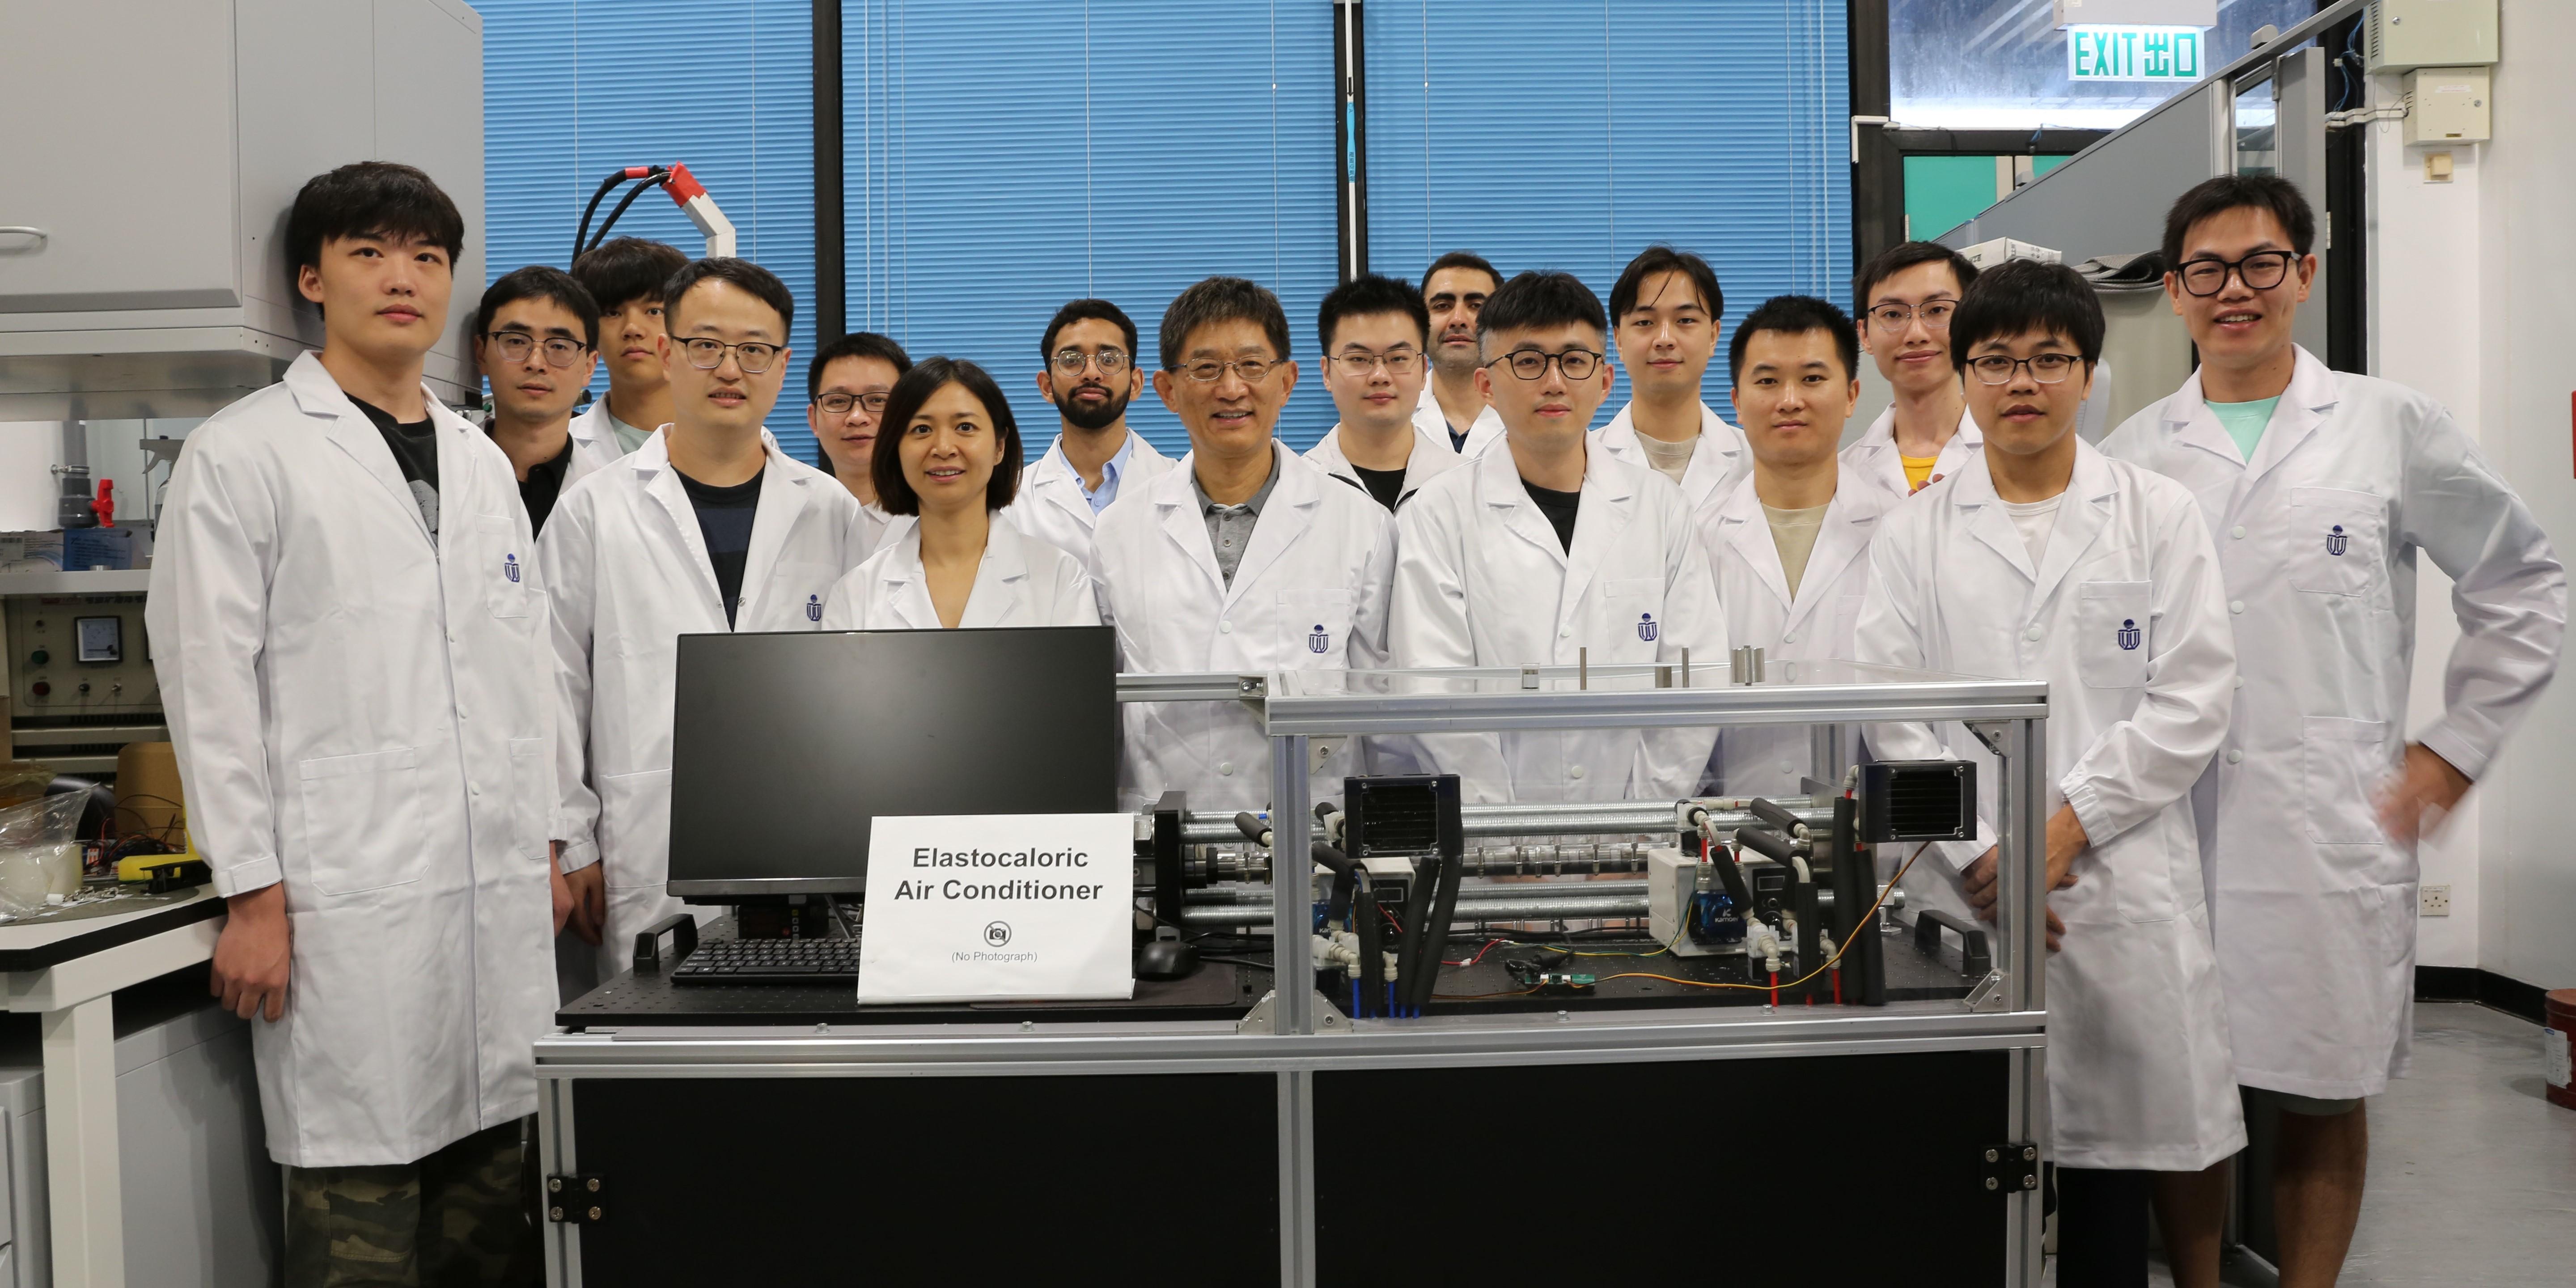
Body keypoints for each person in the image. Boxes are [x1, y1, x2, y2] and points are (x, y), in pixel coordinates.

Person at [2100, 174, 2567, 1288]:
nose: (2233, 290)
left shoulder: (2385, 425)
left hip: (2325, 823)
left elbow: (2522, 582)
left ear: (2301, 275)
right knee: (2186, 1092)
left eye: (2259, 263)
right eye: (2203, 270)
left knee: (2322, 1086)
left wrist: (2449, 748)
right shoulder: (2131, 453)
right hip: (2172, 821)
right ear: (2171, 292)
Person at [149, 161, 557, 1284]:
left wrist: (554, 836)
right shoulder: (247, 452)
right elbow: (207, 683)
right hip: (343, 913)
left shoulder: (478, 459)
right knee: (359, 1229)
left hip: (491, 910)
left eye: (428, 257)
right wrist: (253, 893)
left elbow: (521, 674)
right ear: (310, 277)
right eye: (372, 251)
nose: (403, 278)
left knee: (493, 1232)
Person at [1855, 259, 2242, 1288]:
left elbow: (2191, 694)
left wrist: (2064, 829)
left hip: (2112, 886)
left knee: (2107, 1182)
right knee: (1975, 1173)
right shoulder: (1911, 535)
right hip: (1968, 894)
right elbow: (1896, 717)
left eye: (2046, 360)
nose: (2018, 382)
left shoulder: (2154, 514)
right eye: (1993, 361)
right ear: (1963, 373)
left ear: (2084, 372)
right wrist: (1989, 854)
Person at [544, 258, 870, 979]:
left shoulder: (831, 512)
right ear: (667, 351)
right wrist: (574, 841)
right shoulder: (595, 510)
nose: (731, 369)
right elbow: (553, 683)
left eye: (755, 350)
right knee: (661, 1058)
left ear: (784, 366)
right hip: (645, 842)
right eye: (707, 346)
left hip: (807, 841)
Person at [1389, 270, 1726, 804]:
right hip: (1492, 850)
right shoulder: (1438, 515)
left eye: (1574, 361)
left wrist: (1636, 828)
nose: (1554, 382)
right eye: (1527, 362)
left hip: (1639, 846)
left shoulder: (1661, 509)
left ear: (1605, 380)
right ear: (1486, 386)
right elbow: (1437, 697)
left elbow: (1696, 680)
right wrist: (1502, 839)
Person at [1091, 276, 1397, 811]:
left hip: (1315, 837)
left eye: (1253, 366)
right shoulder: (1119, 530)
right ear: (1167, 390)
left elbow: (1383, 705)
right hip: (1166, 842)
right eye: (1206, 369)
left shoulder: (1360, 523)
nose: (1231, 389)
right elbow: (1099, 711)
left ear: (1288, 381)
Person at [1701, 296, 1894, 797]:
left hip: (1871, 841)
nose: (1790, 400)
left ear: (1852, 394)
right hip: (1729, 834)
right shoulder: (1698, 538)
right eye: (1767, 382)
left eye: (1812, 379)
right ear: (1737, 402)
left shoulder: (1899, 533)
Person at [822, 357, 1097, 630]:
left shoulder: (1061, 578)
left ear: (999, 447)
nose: (943, 448)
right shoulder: (855, 595)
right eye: (922, 430)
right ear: (896, 449)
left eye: (965, 427)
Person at [1005, 298, 1176, 564]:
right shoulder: (1011, 501)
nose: (1092, 373)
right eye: (1071, 360)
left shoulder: (1179, 485)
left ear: (1135, 384)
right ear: (1047, 386)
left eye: (1109, 359)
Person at [1596, 245, 1751, 517]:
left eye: (1686, 320)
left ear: (1713, 336)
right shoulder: (1586, 460)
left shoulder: (1755, 461)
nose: (1665, 339)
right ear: (1619, 340)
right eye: (1645, 322)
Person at [1305, 273, 1460, 510]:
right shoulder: (1299, 486)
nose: (1380, 376)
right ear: (1327, 373)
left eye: (1398, 358)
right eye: (1358, 359)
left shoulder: (1465, 483)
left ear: (1423, 370)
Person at [1844, 241, 1983, 502]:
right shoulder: (1842, 477)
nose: (1916, 334)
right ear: (1864, 335)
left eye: (1937, 310)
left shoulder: (2012, 459)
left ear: (1972, 321)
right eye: (1893, 315)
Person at [475, 265, 608, 536]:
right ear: (481, 354)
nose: (536, 363)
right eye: (516, 341)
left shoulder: (614, 496)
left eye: (559, 346)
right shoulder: (444, 471)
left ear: (589, 367)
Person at [568, 236, 690, 456]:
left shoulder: (739, 444)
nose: (632, 328)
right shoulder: (562, 449)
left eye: (654, 311)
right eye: (612, 313)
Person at [805, 330, 914, 551]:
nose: (857, 417)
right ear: (814, 420)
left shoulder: (938, 519)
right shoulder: (792, 520)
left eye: (877, 400)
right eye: (837, 401)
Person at [1414, 250, 1507, 456]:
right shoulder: (1395, 414)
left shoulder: (1530, 414)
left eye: (1476, 306)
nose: (1458, 319)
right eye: (1442, 306)